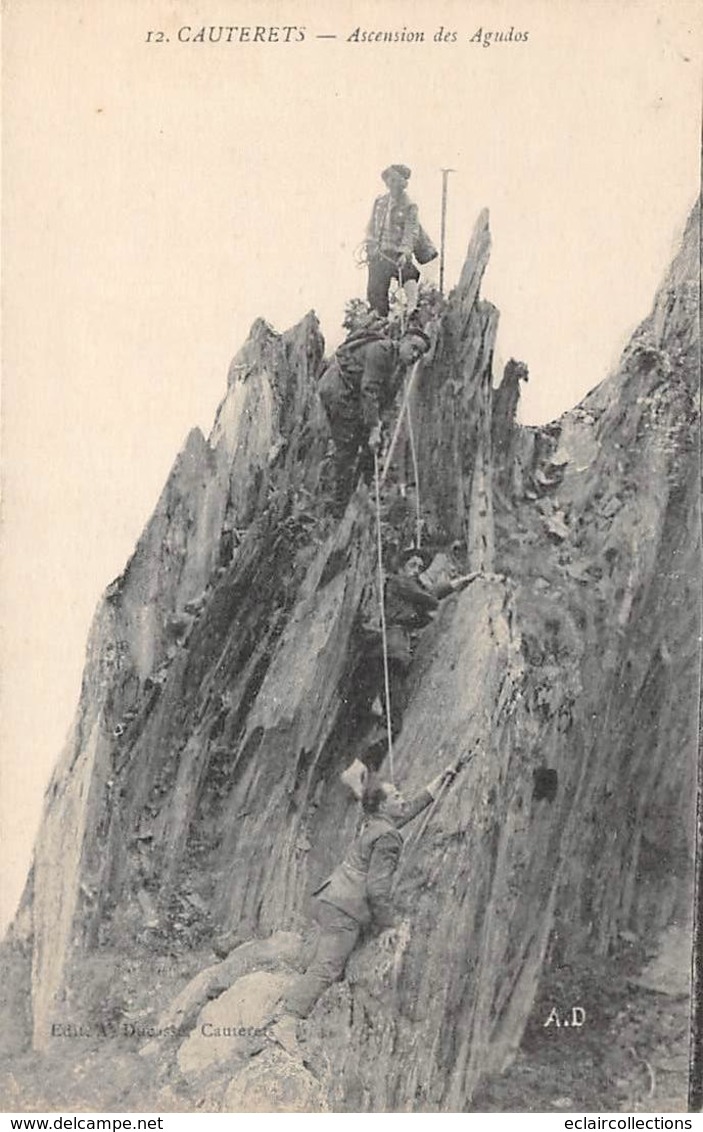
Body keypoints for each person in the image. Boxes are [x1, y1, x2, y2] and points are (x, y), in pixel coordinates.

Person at [272, 760, 461, 1043]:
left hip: (333, 896)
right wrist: (390, 924)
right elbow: (376, 890)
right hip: (345, 908)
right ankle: (286, 1021)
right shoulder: (389, 837)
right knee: (328, 968)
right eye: (396, 796)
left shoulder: (374, 822)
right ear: (384, 806)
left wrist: (440, 780)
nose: (403, 798)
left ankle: (290, 1002)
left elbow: (407, 810)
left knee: (324, 960)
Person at [318, 325, 431, 516]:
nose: (414, 355)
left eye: (419, 354)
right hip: (339, 390)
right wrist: (374, 428)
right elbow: (369, 389)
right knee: (347, 445)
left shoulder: (400, 368)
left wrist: (380, 428)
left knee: (369, 449)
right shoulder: (382, 350)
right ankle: (338, 508)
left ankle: (361, 500)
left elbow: (385, 401)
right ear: (402, 341)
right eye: (413, 348)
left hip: (356, 399)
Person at [365, 164, 424, 318]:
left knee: (409, 273)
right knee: (376, 286)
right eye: (389, 179)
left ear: (402, 183)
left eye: (394, 180)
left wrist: (405, 252)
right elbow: (371, 226)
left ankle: (412, 308)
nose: (390, 183)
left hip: (397, 252)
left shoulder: (409, 205)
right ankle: (378, 317)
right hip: (379, 252)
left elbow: (411, 231)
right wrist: (369, 243)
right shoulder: (380, 202)